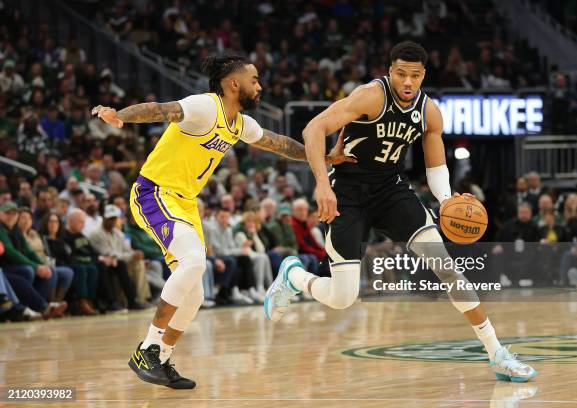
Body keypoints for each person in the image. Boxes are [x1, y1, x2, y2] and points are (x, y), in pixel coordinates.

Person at [264, 41, 537, 382]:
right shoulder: (370, 96)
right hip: (347, 193)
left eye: (416, 76)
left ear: (424, 75)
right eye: (401, 74)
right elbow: (313, 129)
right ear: (390, 72)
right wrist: (322, 182)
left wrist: (448, 200)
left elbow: (435, 167)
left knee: (447, 268)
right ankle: (293, 276)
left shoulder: (429, 111)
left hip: (391, 191)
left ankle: (497, 353)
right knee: (342, 297)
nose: (408, 82)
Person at [92, 54, 353, 388]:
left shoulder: (240, 124)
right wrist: (120, 117)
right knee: (194, 261)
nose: (259, 86)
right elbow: (161, 109)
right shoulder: (205, 107)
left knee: (195, 293)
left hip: (184, 203)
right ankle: (148, 348)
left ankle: (163, 357)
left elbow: (283, 145)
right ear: (234, 83)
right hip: (154, 192)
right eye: (254, 80)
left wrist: (328, 157)